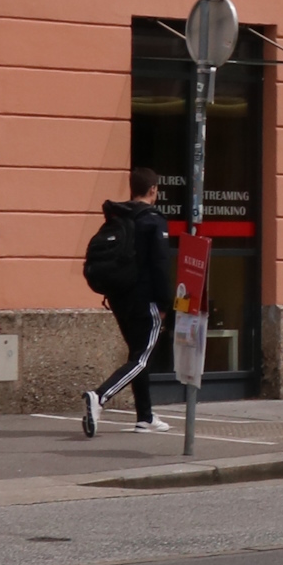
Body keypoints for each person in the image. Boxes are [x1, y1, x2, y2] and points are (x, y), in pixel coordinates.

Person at [83, 166, 176, 437]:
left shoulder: (120, 216)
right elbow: (161, 265)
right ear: (153, 190)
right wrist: (165, 304)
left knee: (137, 355)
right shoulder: (153, 221)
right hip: (145, 301)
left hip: (119, 298)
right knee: (142, 359)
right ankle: (99, 396)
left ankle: (145, 417)